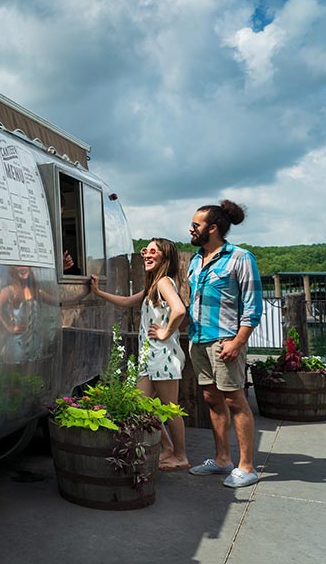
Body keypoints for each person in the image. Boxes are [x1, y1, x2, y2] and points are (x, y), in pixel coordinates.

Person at [90, 238, 189, 470]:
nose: (147, 254)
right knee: (140, 404)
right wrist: (98, 292)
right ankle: (167, 449)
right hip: (150, 357)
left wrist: (165, 332)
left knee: (170, 408)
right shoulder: (153, 285)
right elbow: (125, 302)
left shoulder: (164, 282)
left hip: (163, 355)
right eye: (146, 250)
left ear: (165, 257)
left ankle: (181, 455)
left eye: (153, 251)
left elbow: (180, 310)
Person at [186, 200, 262, 488]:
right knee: (211, 400)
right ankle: (221, 461)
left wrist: (239, 341)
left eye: (196, 225)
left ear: (213, 228)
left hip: (225, 341)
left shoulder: (241, 258)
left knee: (235, 400)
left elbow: (252, 308)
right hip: (199, 341)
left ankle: (247, 467)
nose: (191, 229)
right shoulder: (195, 260)